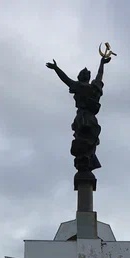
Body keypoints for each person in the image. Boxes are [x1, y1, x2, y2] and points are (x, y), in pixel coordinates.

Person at [46, 51, 113, 179]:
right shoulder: (93, 87)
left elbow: (66, 79)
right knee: (84, 141)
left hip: (84, 118)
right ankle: (86, 158)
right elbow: (99, 76)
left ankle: (87, 158)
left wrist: (56, 68)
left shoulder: (82, 86)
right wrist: (101, 64)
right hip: (86, 119)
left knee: (86, 142)